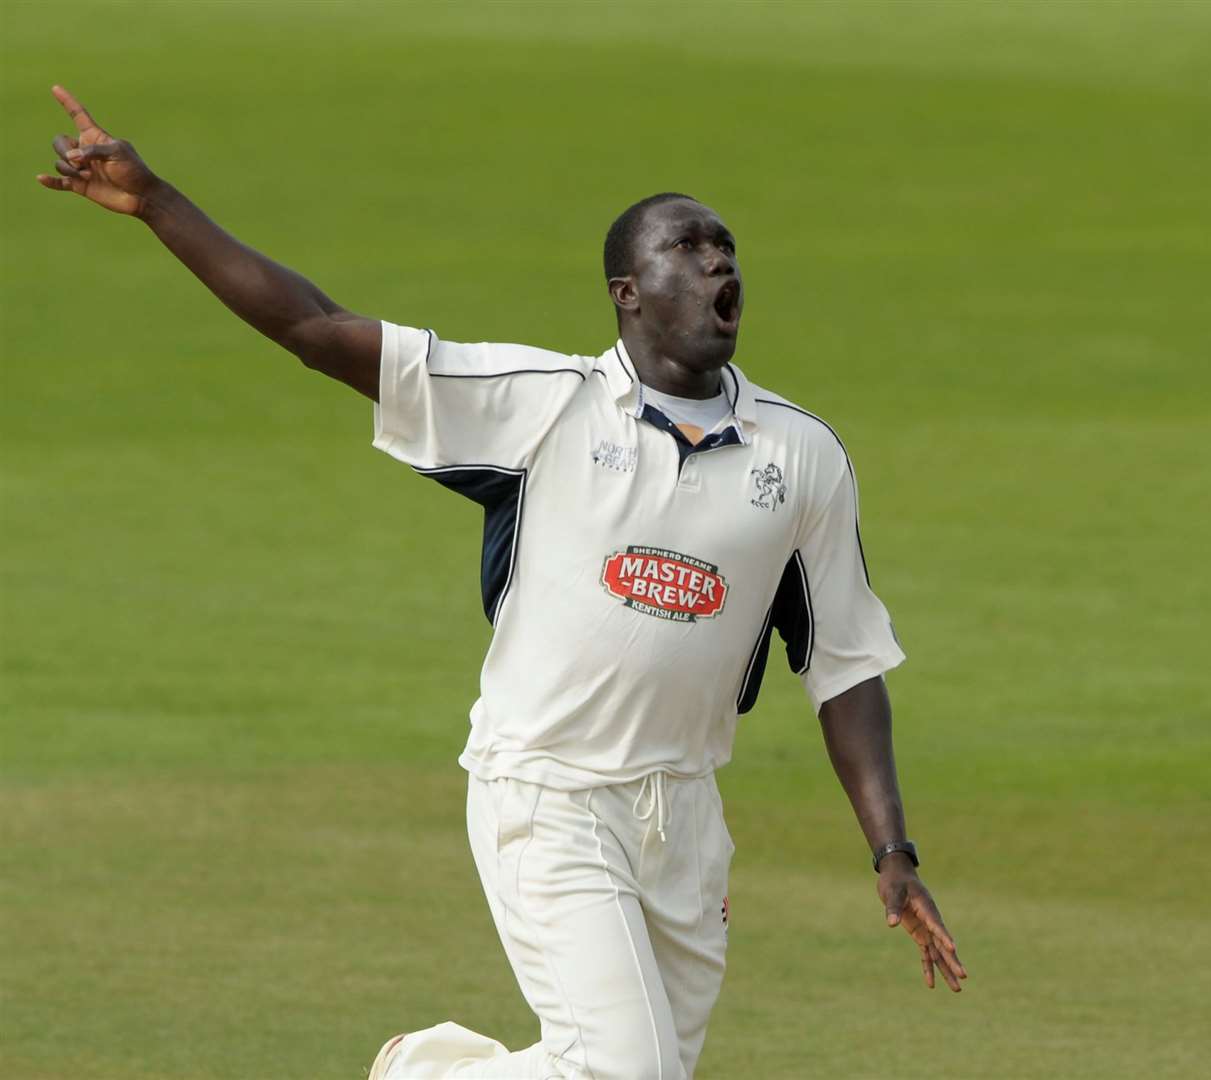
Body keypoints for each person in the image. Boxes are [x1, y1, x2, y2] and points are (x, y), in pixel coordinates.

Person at [37, 86, 965, 1080]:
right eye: (687, 247)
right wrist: (159, 202)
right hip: (547, 792)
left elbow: (844, 666)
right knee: (625, 1075)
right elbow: (315, 328)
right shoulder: (543, 407)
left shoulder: (803, 456)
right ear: (627, 291)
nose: (717, 260)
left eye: (725, 246)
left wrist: (892, 854)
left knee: (621, 1073)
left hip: (685, 819)